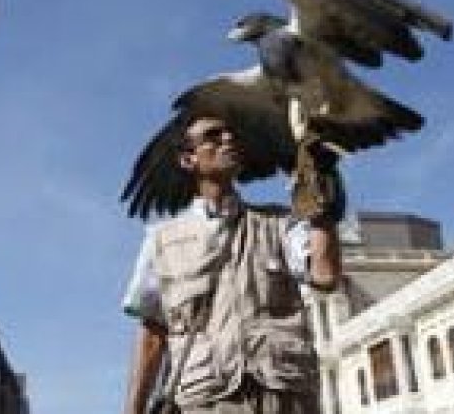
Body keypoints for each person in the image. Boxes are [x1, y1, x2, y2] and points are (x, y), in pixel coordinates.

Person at [121, 117, 343, 414]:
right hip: (205, 401)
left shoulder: (279, 224)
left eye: (231, 133)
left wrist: (323, 206)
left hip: (285, 396)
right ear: (188, 160)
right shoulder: (160, 240)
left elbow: (324, 275)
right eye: (213, 136)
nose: (228, 139)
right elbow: (152, 334)